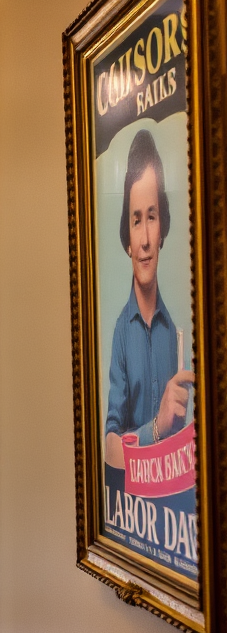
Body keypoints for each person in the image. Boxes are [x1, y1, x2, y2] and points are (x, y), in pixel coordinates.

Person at [104, 128, 193, 469]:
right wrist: (157, 427)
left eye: (151, 218)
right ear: (127, 238)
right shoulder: (121, 334)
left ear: (162, 232)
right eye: (136, 220)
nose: (144, 239)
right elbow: (110, 450)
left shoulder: (175, 334)